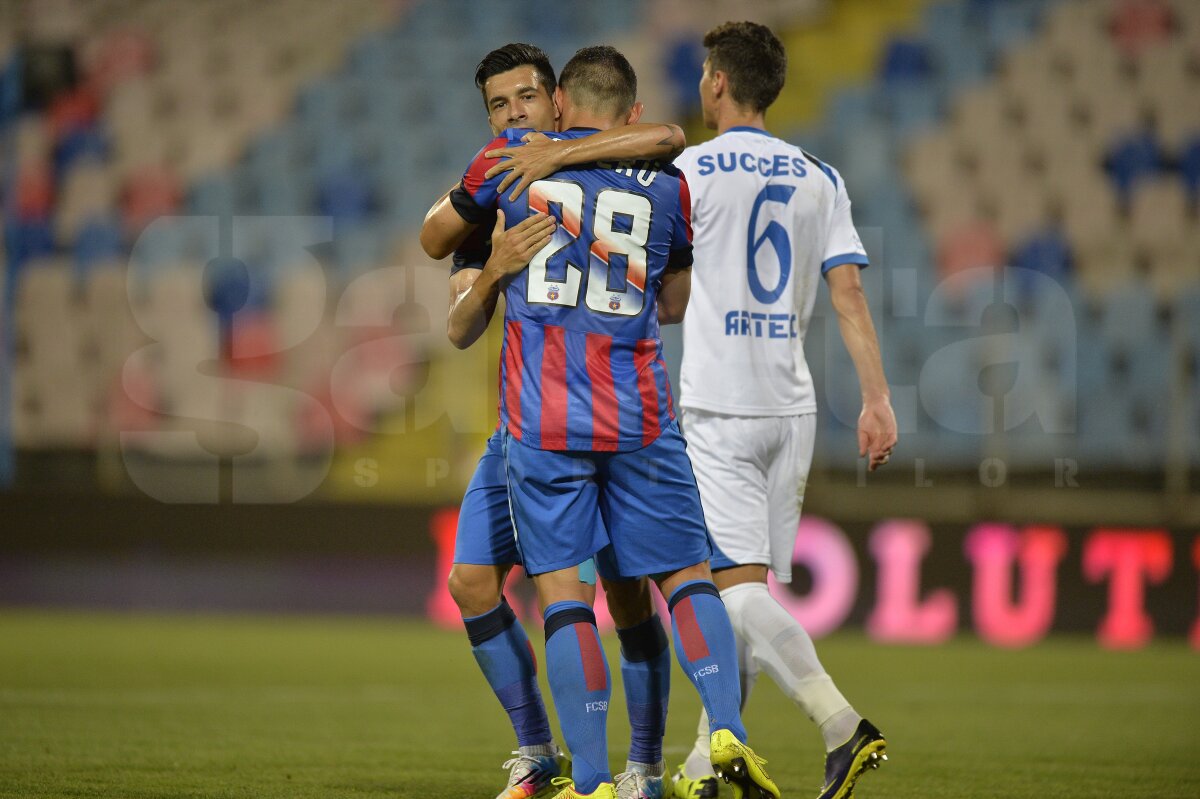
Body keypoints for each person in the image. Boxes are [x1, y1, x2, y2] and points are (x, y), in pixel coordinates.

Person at [483, 22, 899, 799]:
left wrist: (556, 158)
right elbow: (848, 291)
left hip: (708, 400)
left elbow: (636, 219)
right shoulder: (821, 174)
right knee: (730, 585)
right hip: (792, 406)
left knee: (713, 588)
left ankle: (838, 723)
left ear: (715, 82)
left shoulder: (688, 168)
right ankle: (709, 757)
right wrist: (877, 397)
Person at [424, 45, 781, 799]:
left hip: (541, 420)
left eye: (526, 99)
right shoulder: (667, 186)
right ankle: (709, 732)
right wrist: (495, 272)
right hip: (630, 415)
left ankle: (605, 778)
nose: (515, 115)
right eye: (499, 106)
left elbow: (435, 244)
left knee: (575, 596)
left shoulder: (509, 174)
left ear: (557, 102)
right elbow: (672, 293)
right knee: (670, 577)